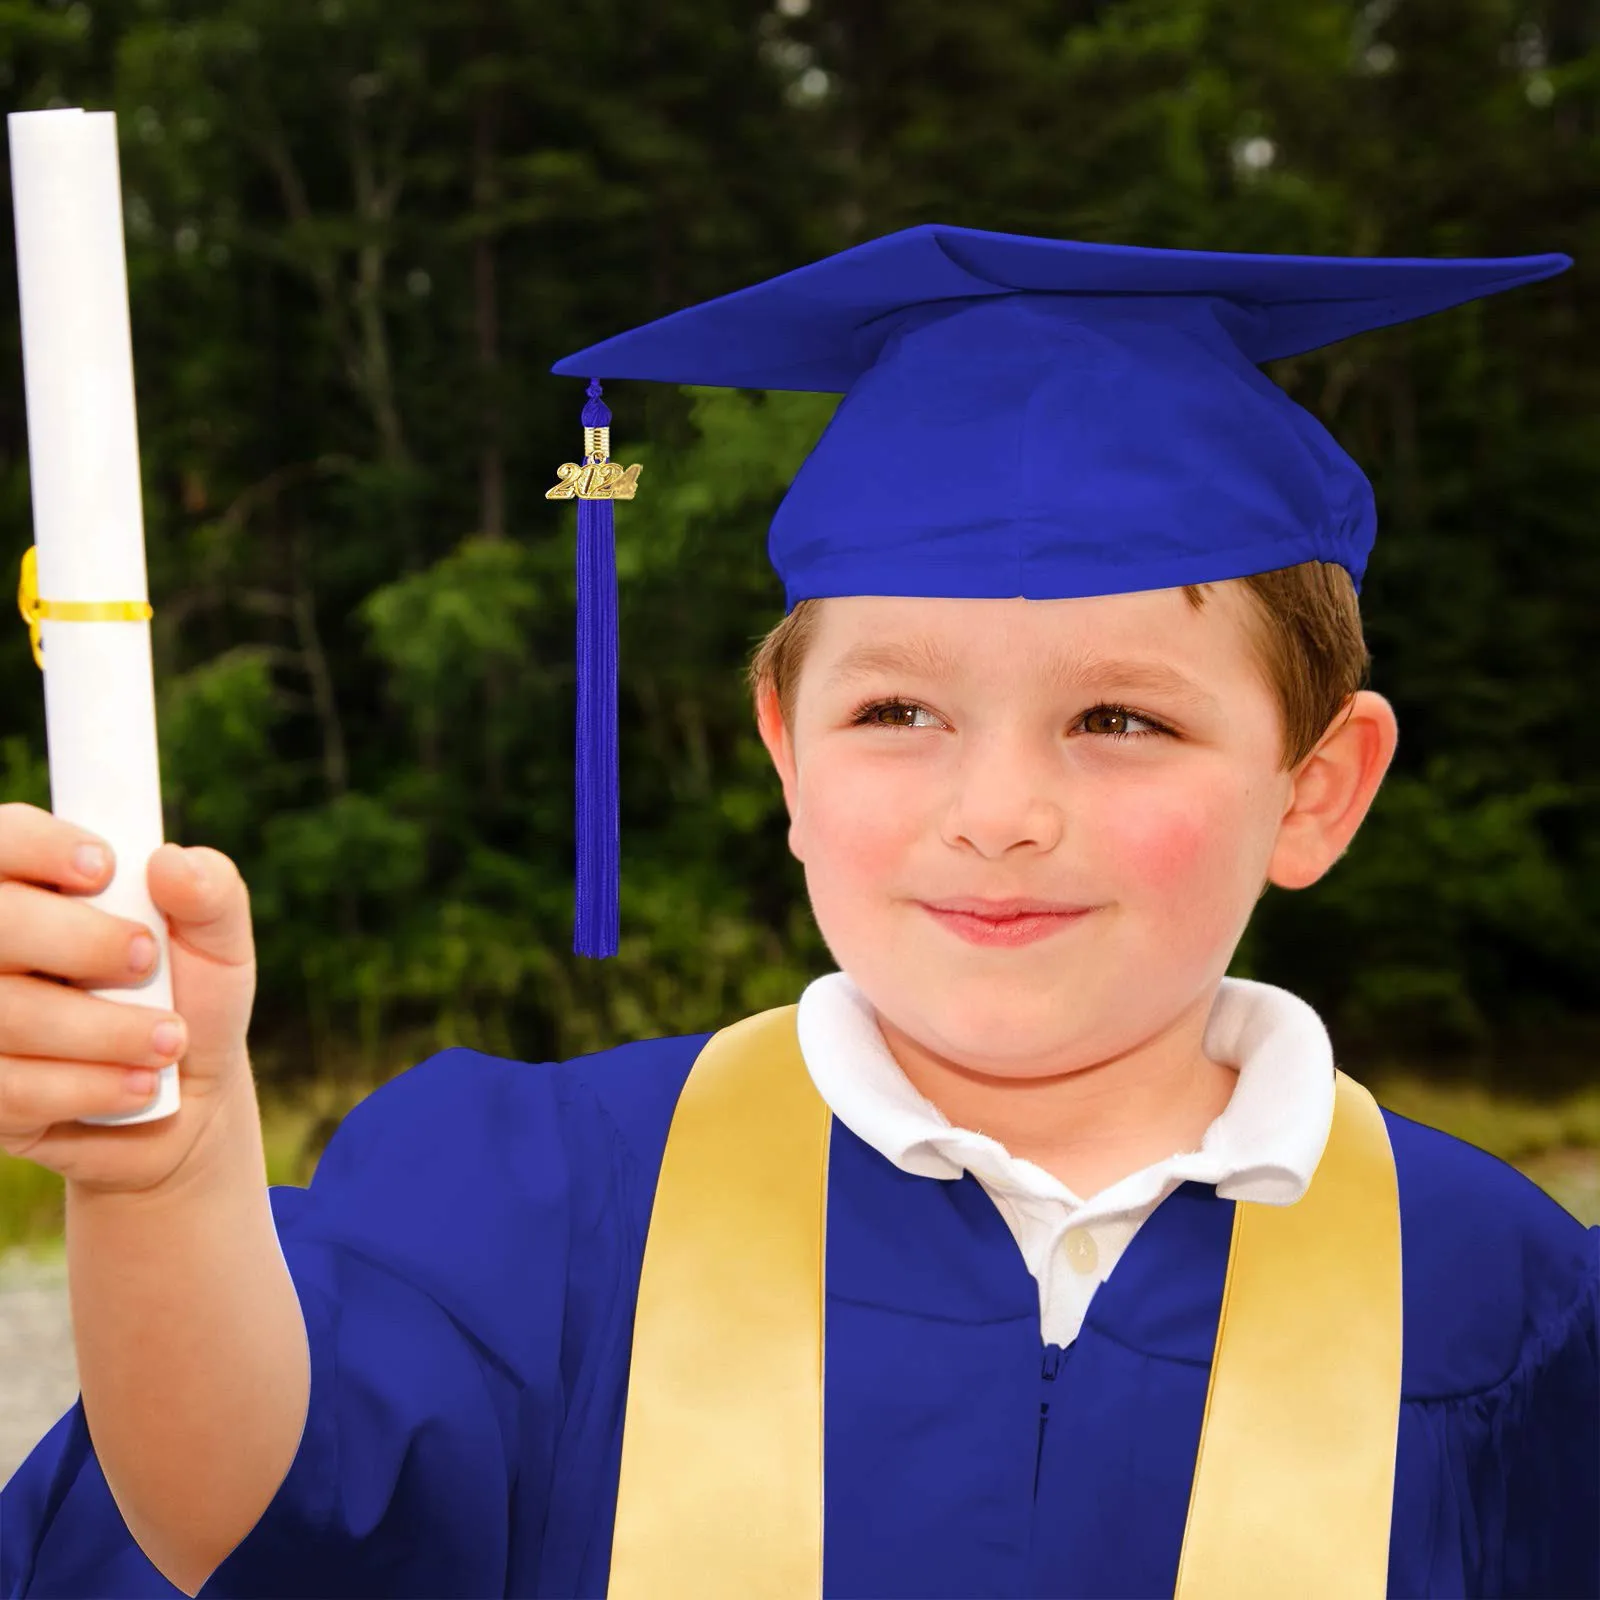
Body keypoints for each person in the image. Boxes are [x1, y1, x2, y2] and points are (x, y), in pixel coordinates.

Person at [2, 225, 1596, 1600]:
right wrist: (167, 1167)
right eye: (897, 712)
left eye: (1123, 722)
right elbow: (255, 1525)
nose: (997, 811)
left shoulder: (1500, 1300)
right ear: (782, 750)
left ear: (1318, 787)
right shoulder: (537, 1203)